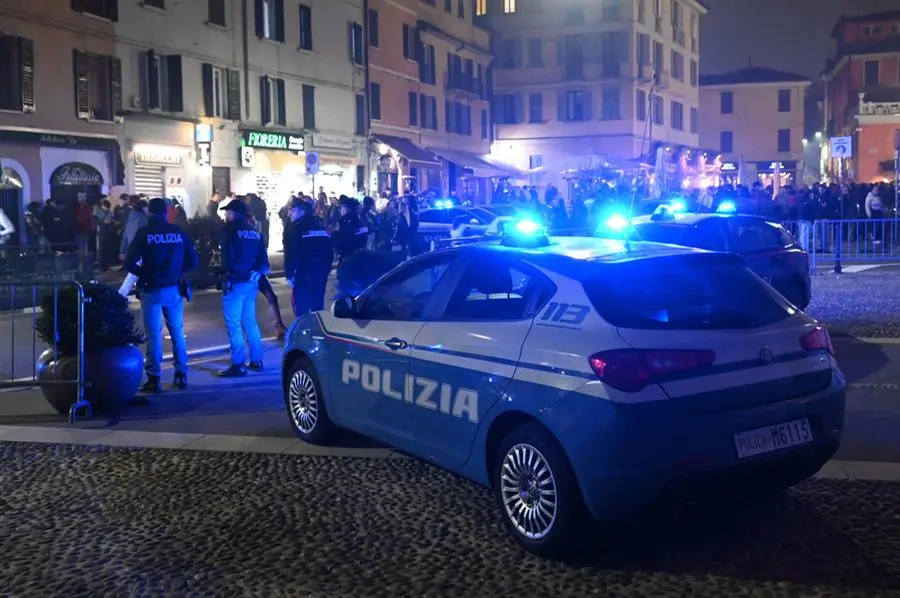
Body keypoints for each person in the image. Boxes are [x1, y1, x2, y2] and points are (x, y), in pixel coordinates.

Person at [124, 197, 199, 395]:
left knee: (154, 335)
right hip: (174, 288)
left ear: (150, 212)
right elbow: (193, 261)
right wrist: (177, 273)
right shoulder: (178, 233)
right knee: (177, 333)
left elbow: (129, 262)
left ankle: (154, 379)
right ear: (166, 212)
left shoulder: (145, 233)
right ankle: (181, 374)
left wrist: (145, 273)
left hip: (152, 289)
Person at [218, 198, 270, 377]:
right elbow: (263, 261)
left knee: (233, 324)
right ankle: (257, 360)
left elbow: (227, 259)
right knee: (250, 320)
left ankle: (238, 364)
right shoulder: (254, 232)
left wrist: (227, 274)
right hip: (251, 282)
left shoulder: (229, 230)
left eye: (227, 212)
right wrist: (253, 273)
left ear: (233, 213)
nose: (225, 215)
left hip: (235, 281)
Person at [284, 196, 333, 316]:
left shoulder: (294, 228)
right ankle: (317, 333)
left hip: (302, 274)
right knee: (317, 310)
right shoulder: (319, 225)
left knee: (302, 312)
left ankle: (303, 334)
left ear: (302, 211)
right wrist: (325, 270)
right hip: (320, 274)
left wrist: (290, 274)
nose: (289, 214)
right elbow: (328, 251)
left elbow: (291, 253)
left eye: (293, 210)